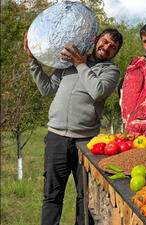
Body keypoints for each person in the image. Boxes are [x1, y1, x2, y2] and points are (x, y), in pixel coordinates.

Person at [24, 28, 123, 225]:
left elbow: (97, 92)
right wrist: (33, 61)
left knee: (85, 197)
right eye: (105, 41)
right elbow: (46, 89)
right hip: (56, 137)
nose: (107, 47)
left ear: (115, 53)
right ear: (96, 40)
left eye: (113, 47)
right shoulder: (68, 63)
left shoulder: (110, 71)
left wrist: (81, 65)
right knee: (52, 195)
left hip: (86, 142)